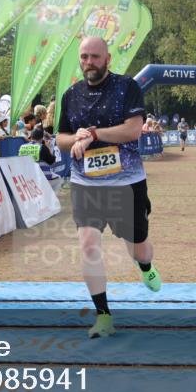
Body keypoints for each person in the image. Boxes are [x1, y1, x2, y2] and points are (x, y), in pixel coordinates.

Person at [56, 36, 161, 339]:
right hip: (85, 184)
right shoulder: (70, 95)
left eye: (94, 57)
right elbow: (60, 138)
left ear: (107, 58)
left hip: (126, 183)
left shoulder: (127, 86)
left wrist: (93, 134)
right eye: (84, 57)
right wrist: (75, 139)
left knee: (139, 248)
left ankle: (146, 267)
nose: (88, 62)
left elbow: (132, 130)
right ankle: (103, 316)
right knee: (89, 245)